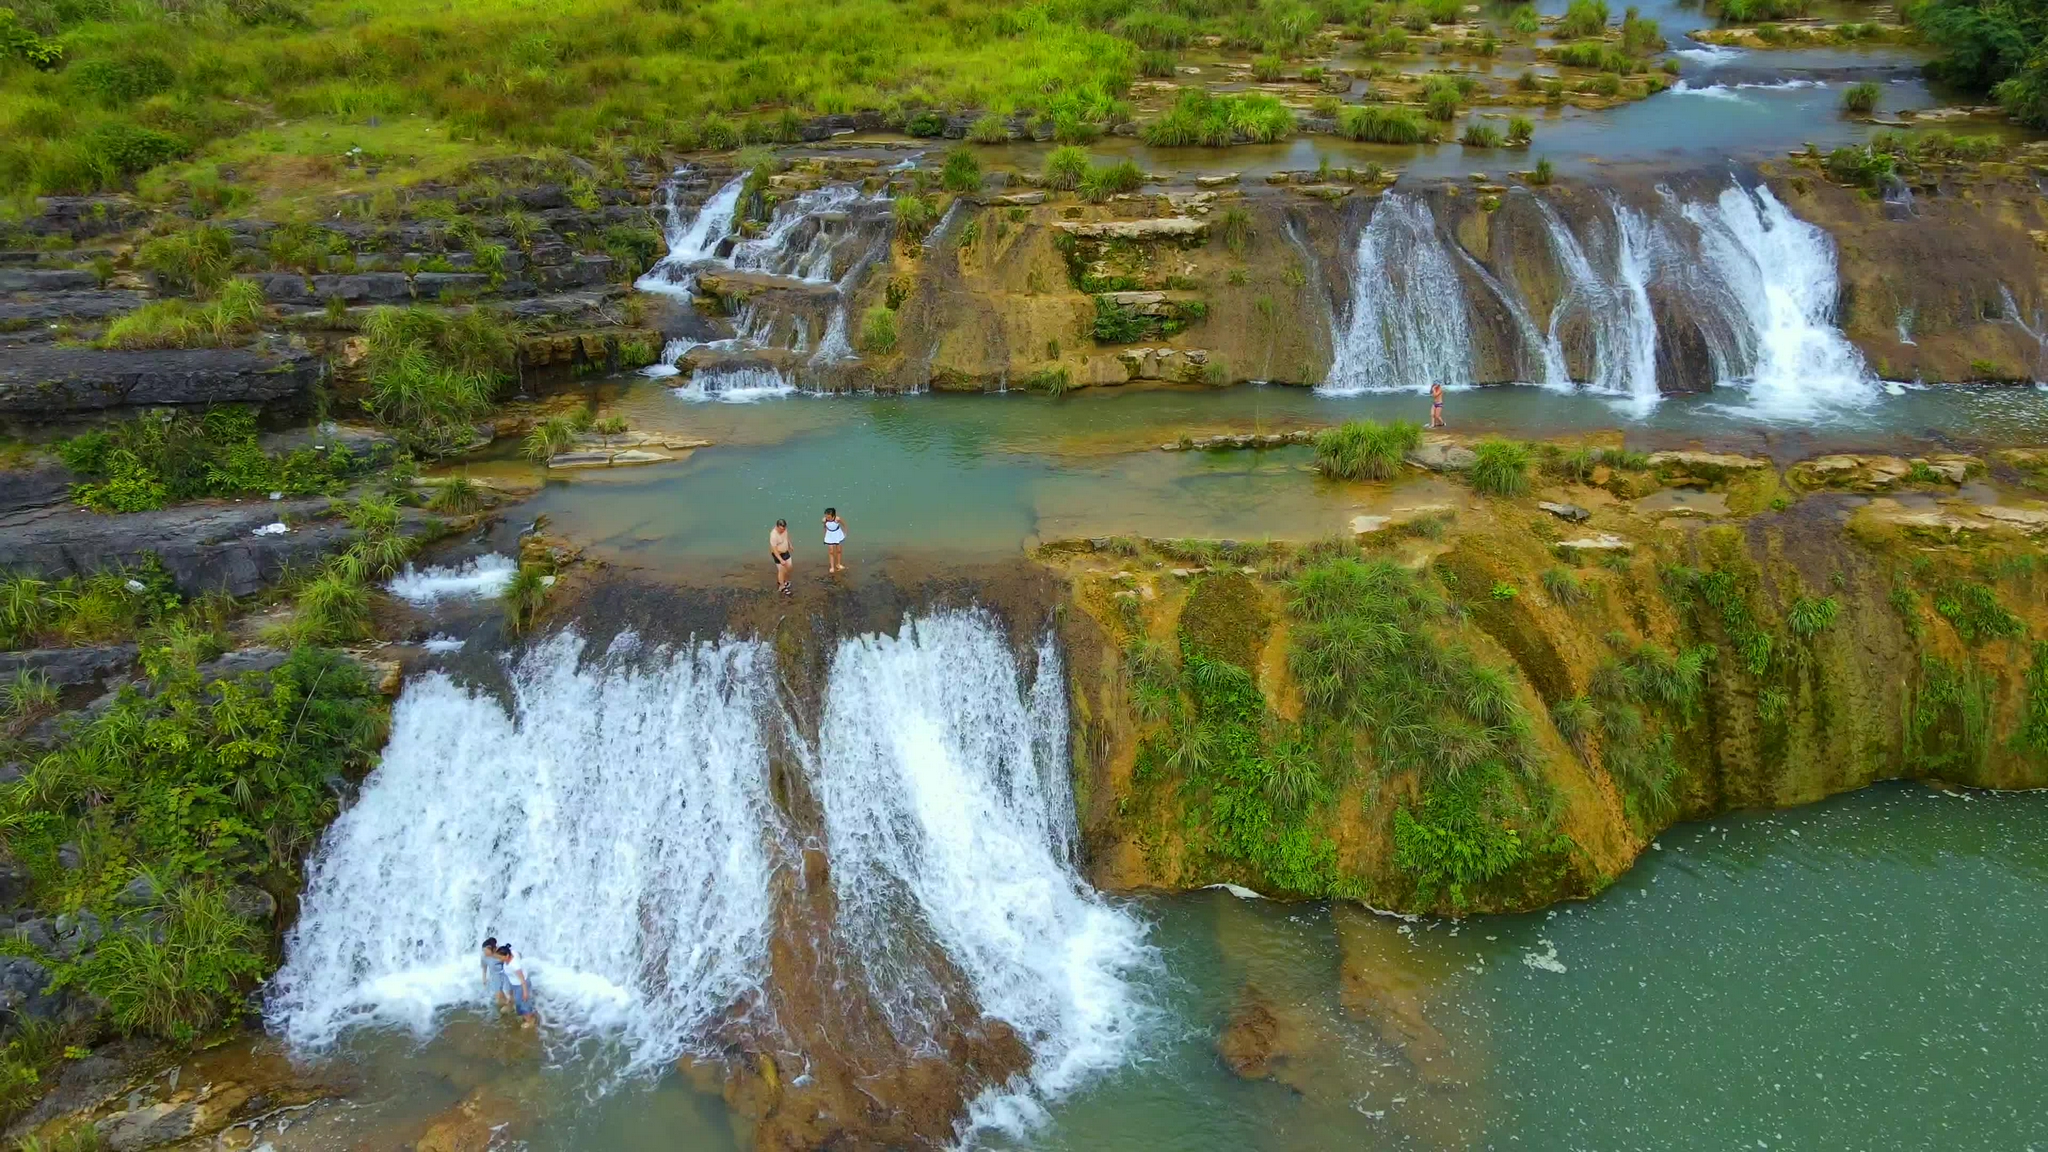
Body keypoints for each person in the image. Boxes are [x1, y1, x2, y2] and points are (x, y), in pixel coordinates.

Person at [498, 943, 537, 1028]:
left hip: (521, 984)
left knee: (523, 1002)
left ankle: (530, 1020)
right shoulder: (513, 952)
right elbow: (519, 954)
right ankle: (511, 1006)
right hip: (514, 982)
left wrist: (525, 992)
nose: (499, 959)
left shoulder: (515, 965)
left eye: (501, 957)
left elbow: (522, 980)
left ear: (507, 955)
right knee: (517, 999)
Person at [481, 936, 510, 1012]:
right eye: (483, 950)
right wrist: (484, 978)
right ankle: (509, 1005)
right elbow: (484, 966)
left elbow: (509, 962)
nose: (484, 952)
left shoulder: (500, 953)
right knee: (499, 1000)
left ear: (491, 948)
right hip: (495, 978)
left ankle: (510, 1005)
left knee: (501, 999)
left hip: (505, 976)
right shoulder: (484, 956)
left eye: (485, 950)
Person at [769, 519, 793, 596]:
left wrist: (790, 544)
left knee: (789, 567)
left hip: (786, 552)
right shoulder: (773, 535)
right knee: (782, 570)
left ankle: (783, 581)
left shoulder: (784, 530)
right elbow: (774, 549)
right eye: (781, 529)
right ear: (777, 527)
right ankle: (782, 587)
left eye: (784, 529)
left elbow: (787, 536)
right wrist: (781, 559)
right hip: (778, 554)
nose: (783, 531)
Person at [823, 507, 848, 575]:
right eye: (826, 516)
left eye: (829, 517)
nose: (827, 518)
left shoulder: (837, 519)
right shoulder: (824, 520)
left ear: (833, 516)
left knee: (839, 550)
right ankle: (832, 567)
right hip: (829, 535)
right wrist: (825, 535)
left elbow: (844, 525)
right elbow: (824, 527)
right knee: (831, 551)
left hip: (837, 534)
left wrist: (845, 533)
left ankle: (838, 564)